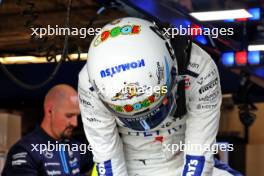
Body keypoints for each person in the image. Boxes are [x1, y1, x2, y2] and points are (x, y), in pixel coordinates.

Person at [78, 17, 242, 176]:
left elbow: (198, 154)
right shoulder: (90, 85)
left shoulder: (200, 69)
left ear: (173, 71)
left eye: (156, 106)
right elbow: (107, 158)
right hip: (131, 165)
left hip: (183, 159)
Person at [2, 84, 93, 176]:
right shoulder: (25, 151)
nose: (75, 123)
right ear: (50, 111)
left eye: (77, 116)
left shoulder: (75, 147)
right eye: (69, 116)